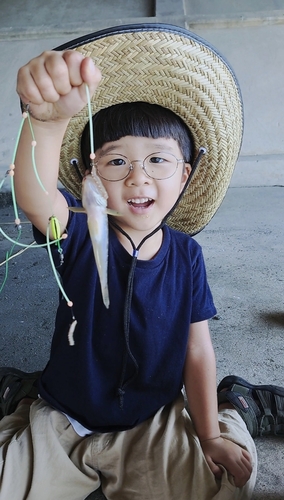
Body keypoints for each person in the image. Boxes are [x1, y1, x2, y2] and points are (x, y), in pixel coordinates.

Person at [0, 23, 281, 500]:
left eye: (157, 160)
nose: (137, 178)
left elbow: (196, 349)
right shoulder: (75, 232)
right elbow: (36, 199)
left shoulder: (188, 255)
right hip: (66, 412)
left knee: (226, 484)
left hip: (155, 413)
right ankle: (24, 391)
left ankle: (236, 403)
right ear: (90, 177)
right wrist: (45, 125)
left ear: (185, 173)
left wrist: (209, 433)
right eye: (116, 163)